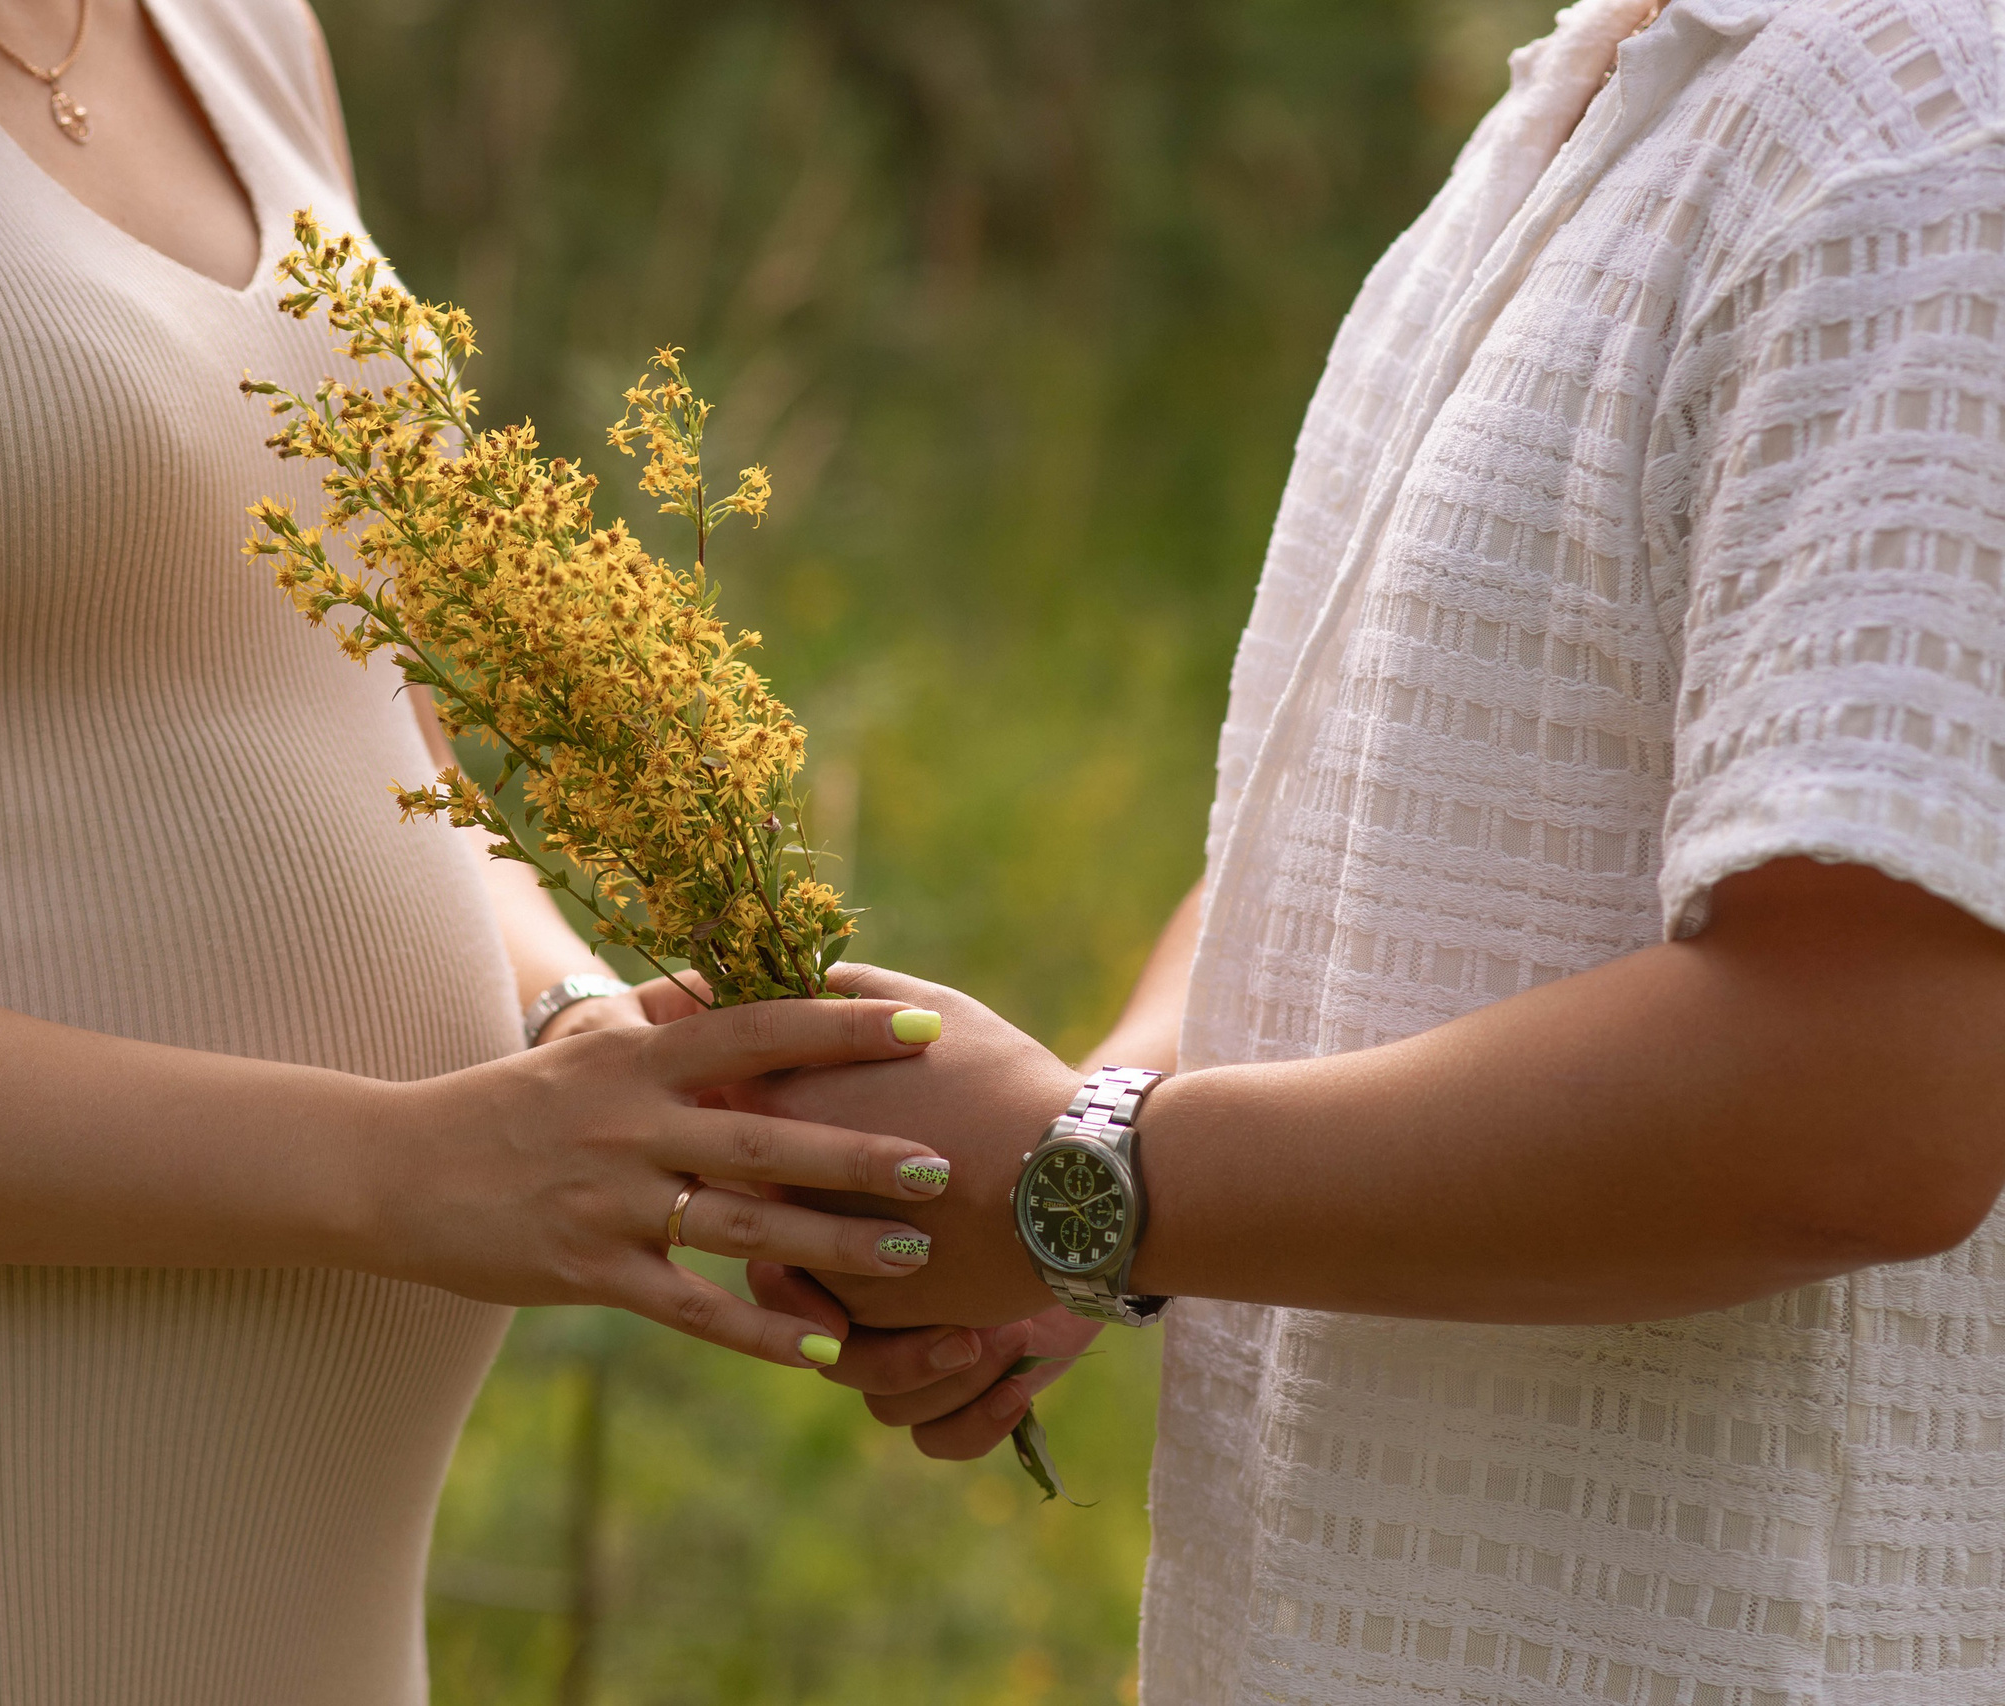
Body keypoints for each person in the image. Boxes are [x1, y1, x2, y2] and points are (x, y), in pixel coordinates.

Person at [0, 1, 951, 1700]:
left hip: (272, 1619)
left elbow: (380, 739)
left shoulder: (243, 31)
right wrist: (399, 1167)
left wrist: (592, 1042)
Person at [745, 0, 2005, 1700]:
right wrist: (1084, 1136)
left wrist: (1094, 1184)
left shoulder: (1928, 134)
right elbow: (1352, 829)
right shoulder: (1601, 97)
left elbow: (1871, 1098)